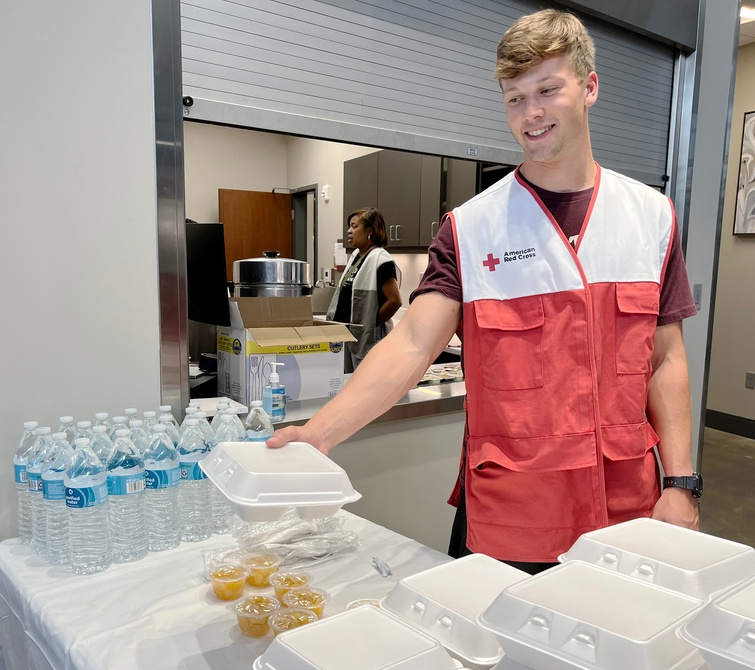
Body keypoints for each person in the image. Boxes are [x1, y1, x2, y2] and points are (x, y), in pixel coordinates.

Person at [269, 9, 700, 572]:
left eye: (548, 90)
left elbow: (666, 359)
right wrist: (320, 433)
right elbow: (412, 345)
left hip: (627, 511)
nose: (531, 113)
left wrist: (682, 482)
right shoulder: (471, 229)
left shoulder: (650, 217)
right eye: (514, 98)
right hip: (511, 517)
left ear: (590, 87)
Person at [326, 207, 402, 372]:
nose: (349, 231)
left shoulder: (380, 259)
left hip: (367, 337)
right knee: (347, 384)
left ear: (370, 231)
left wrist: (371, 323)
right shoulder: (356, 256)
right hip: (347, 335)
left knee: (366, 384)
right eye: (349, 226)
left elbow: (395, 301)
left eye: (355, 226)